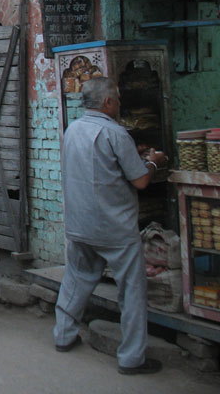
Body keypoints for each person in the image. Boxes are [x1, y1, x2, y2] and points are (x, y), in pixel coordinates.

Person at [54, 77, 167, 375]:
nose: (119, 103)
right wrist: (154, 162)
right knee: (131, 290)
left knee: (76, 278)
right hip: (114, 228)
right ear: (107, 102)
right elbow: (140, 180)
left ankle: (63, 335)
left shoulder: (73, 129)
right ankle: (131, 358)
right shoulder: (115, 133)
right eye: (117, 99)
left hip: (79, 223)